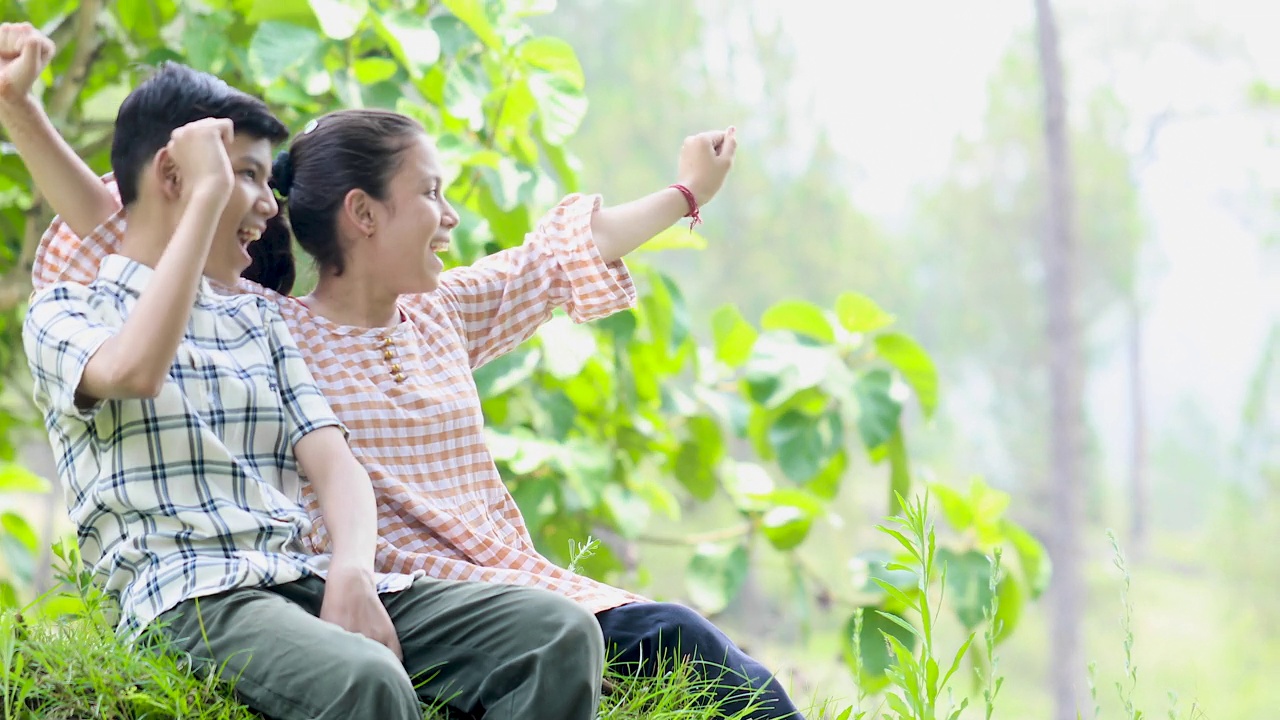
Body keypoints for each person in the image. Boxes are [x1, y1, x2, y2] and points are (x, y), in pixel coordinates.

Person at [13, 26, 804, 720]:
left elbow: (556, 261)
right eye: (430, 193)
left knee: (647, 636)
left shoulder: (433, 314)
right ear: (363, 214)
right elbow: (130, 233)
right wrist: (24, 113)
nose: (451, 215)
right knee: (666, 638)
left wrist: (685, 191)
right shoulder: (271, 319)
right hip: (334, 585)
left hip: (475, 588)